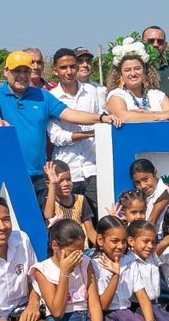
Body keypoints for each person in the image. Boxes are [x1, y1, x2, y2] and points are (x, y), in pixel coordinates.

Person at [0, 50, 121, 200]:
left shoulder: (42, 96)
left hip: (40, 175)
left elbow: (70, 114)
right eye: (17, 71)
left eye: (26, 71)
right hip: (8, 174)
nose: (22, 75)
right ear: (6, 71)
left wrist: (101, 118)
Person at [106, 41, 169, 190]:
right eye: (127, 70)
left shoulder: (156, 95)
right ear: (120, 75)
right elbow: (124, 117)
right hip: (136, 160)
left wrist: (143, 114)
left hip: (163, 157)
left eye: (137, 68)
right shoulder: (116, 95)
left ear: (145, 71)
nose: (133, 73)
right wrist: (160, 116)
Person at [47, 48, 104, 218]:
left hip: (92, 165)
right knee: (69, 218)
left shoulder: (93, 92)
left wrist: (92, 132)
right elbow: (57, 136)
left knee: (98, 216)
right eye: (63, 68)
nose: (69, 72)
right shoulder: (51, 97)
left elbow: (102, 123)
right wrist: (87, 134)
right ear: (55, 71)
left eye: (73, 66)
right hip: (67, 168)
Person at [42, 161, 97, 243]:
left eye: (68, 179)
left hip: (82, 250)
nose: (66, 184)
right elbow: (48, 215)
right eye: (60, 181)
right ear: (49, 184)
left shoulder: (80, 200)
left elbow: (90, 232)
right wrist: (53, 183)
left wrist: (102, 247)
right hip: (62, 251)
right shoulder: (50, 203)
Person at [128, 159, 169, 234]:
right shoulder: (142, 195)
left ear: (155, 173)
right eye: (137, 182)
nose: (142, 186)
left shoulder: (165, 193)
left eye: (145, 180)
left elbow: (152, 221)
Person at [142, 26, 169, 96]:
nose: (155, 44)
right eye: (151, 41)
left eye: (160, 41)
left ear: (165, 45)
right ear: (142, 43)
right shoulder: (132, 67)